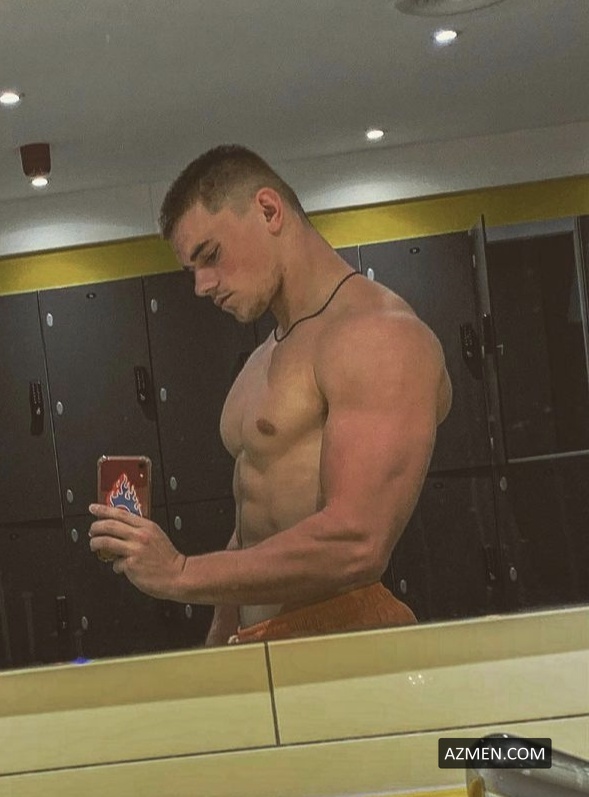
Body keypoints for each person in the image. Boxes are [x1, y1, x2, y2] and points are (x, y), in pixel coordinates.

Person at [89, 145, 452, 645]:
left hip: (344, 641)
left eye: (211, 256)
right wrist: (222, 634)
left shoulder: (378, 334)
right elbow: (255, 522)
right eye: (192, 270)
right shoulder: (266, 356)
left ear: (268, 210)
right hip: (260, 645)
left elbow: (357, 542)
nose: (201, 286)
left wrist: (180, 572)